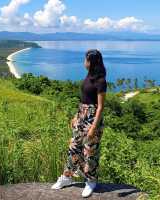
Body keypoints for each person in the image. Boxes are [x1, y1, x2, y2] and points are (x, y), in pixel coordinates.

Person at [51, 49, 107, 198]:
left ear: (91, 62)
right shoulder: (89, 76)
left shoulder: (100, 81)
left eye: (86, 60)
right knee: (74, 147)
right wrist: (76, 116)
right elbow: (84, 99)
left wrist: (93, 127)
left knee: (90, 151)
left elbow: (100, 107)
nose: (84, 62)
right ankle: (67, 177)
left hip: (92, 119)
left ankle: (90, 181)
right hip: (81, 117)